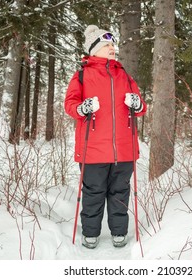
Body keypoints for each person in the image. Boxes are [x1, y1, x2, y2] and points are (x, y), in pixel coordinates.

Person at [64, 25, 147, 249]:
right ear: (94, 50)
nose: (112, 48)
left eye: (112, 44)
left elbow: (141, 107)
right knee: (93, 192)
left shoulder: (125, 76)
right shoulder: (82, 75)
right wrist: (83, 108)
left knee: (120, 192)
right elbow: (70, 104)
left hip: (124, 148)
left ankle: (119, 232)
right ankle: (90, 233)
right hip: (93, 149)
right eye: (107, 45)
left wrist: (138, 104)